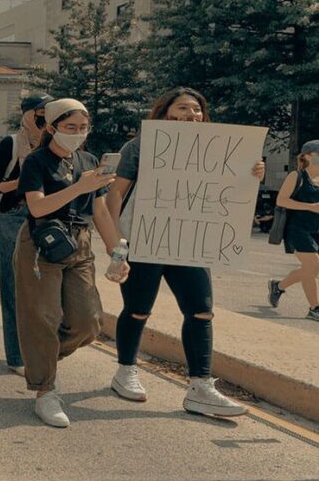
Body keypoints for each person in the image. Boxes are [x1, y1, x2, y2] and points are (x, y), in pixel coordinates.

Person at [108, 88, 263, 416]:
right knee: (138, 310)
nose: (191, 114)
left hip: (190, 243)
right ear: (165, 112)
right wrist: (117, 243)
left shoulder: (218, 149)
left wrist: (252, 175)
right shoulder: (140, 146)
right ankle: (125, 370)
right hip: (145, 239)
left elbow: (228, 192)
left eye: (196, 109)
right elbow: (115, 194)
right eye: (182, 108)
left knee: (201, 311)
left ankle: (200, 387)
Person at [15, 99, 127, 428]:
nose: (78, 133)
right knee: (43, 318)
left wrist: (117, 253)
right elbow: (37, 207)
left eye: (83, 128)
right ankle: (45, 389)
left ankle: (42, 359)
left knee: (89, 321)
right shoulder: (36, 161)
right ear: (52, 128)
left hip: (79, 243)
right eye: (70, 127)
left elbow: (100, 211)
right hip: (43, 242)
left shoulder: (89, 161)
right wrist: (80, 186)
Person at [0, 92, 52, 376]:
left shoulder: (55, 143)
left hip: (45, 220)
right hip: (13, 218)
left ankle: (41, 350)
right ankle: (16, 356)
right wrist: (27, 180)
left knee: (43, 289)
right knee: (13, 288)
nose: (43, 118)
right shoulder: (11, 143)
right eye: (39, 112)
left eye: (48, 113)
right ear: (26, 113)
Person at [268, 139, 319, 322]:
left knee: (310, 268)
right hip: (297, 229)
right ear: (307, 156)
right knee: (313, 265)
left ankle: (278, 286)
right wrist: (310, 207)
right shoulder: (296, 176)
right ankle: (315, 308)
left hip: (316, 230)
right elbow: (281, 200)